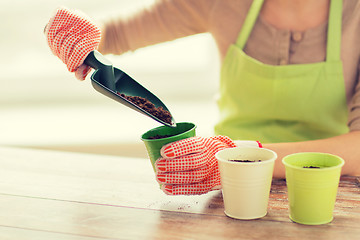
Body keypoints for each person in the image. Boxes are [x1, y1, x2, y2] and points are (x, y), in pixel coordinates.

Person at [45, 0, 360, 195]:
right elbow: (114, 33)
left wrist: (238, 156)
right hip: (228, 187)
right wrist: (76, 31)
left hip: (326, 189)